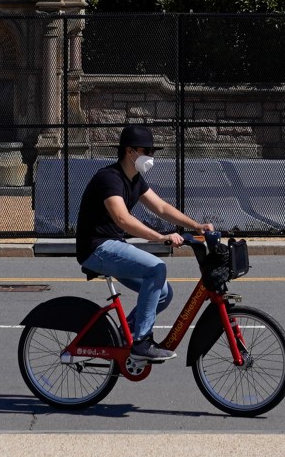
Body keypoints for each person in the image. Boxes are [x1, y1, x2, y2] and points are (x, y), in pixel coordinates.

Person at [74, 124, 213, 360]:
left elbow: (161, 207)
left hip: (113, 246)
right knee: (157, 268)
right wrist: (160, 237)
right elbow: (122, 218)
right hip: (97, 248)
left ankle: (123, 335)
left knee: (163, 293)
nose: (150, 156)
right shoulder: (109, 178)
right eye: (146, 150)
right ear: (130, 152)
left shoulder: (135, 180)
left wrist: (196, 225)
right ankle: (141, 342)